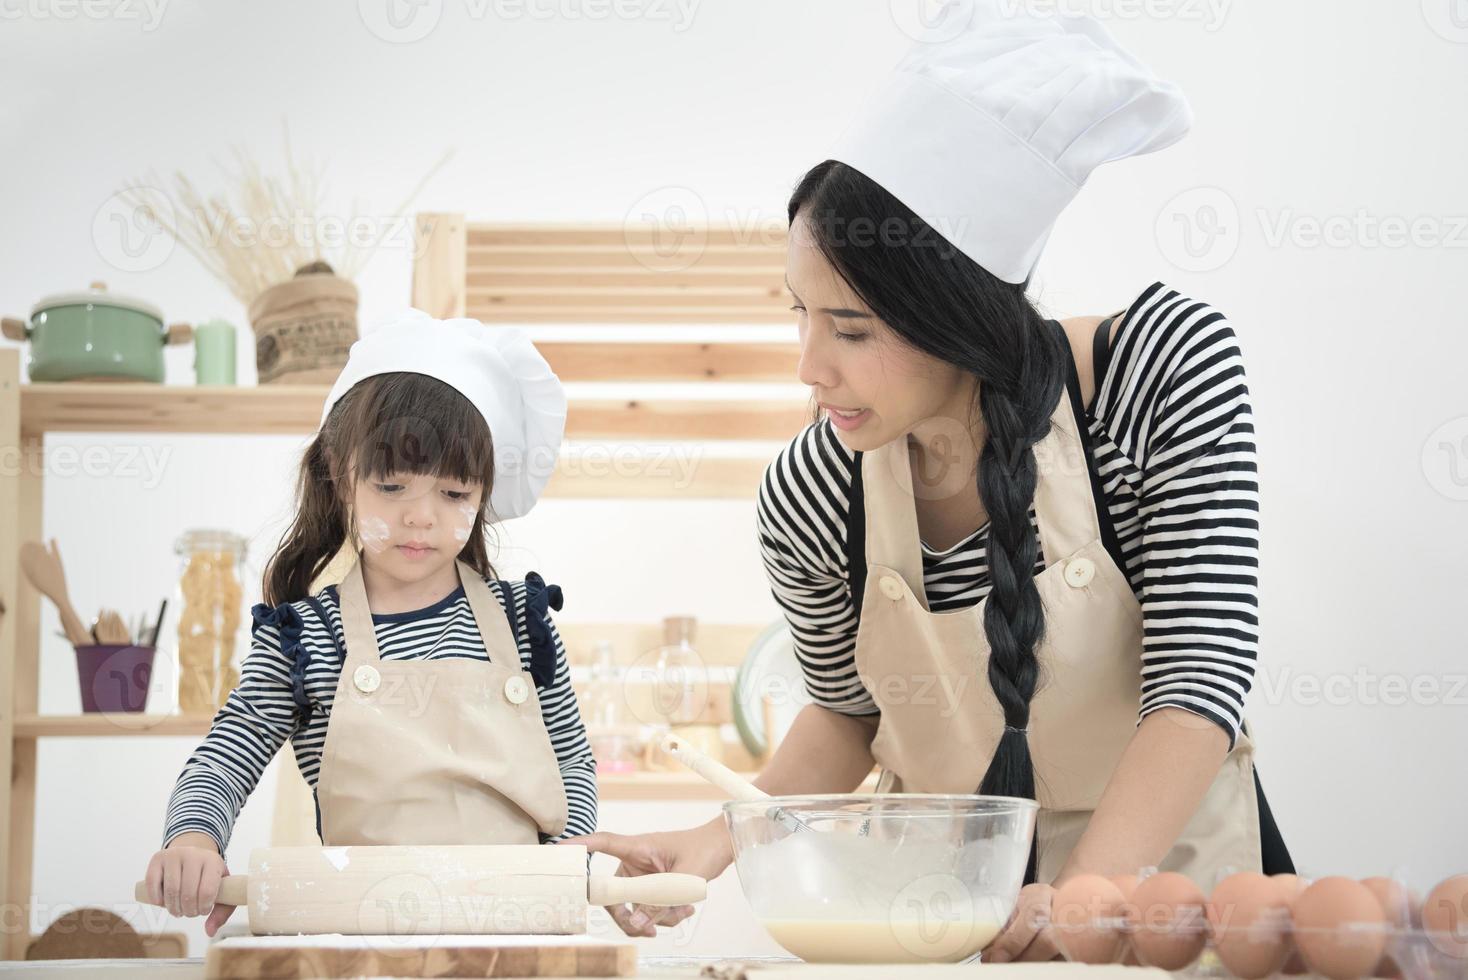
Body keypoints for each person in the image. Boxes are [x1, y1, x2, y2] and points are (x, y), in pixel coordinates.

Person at [568, 2, 1292, 959]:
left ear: (960, 314)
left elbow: (1199, 680)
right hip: (945, 916)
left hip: (1177, 903)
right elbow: (843, 712)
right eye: (802, 314)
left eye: (853, 329)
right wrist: (709, 844)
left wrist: (1076, 903)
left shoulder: (1155, 375)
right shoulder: (817, 488)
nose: (809, 366)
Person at [144, 310, 597, 936]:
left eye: (454, 495)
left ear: (484, 494)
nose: (420, 517)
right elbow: (230, 752)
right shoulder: (306, 637)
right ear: (340, 477)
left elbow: (570, 761)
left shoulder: (524, 622)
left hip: (517, 929)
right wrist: (193, 837)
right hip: (361, 936)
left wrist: (574, 860)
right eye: (391, 486)